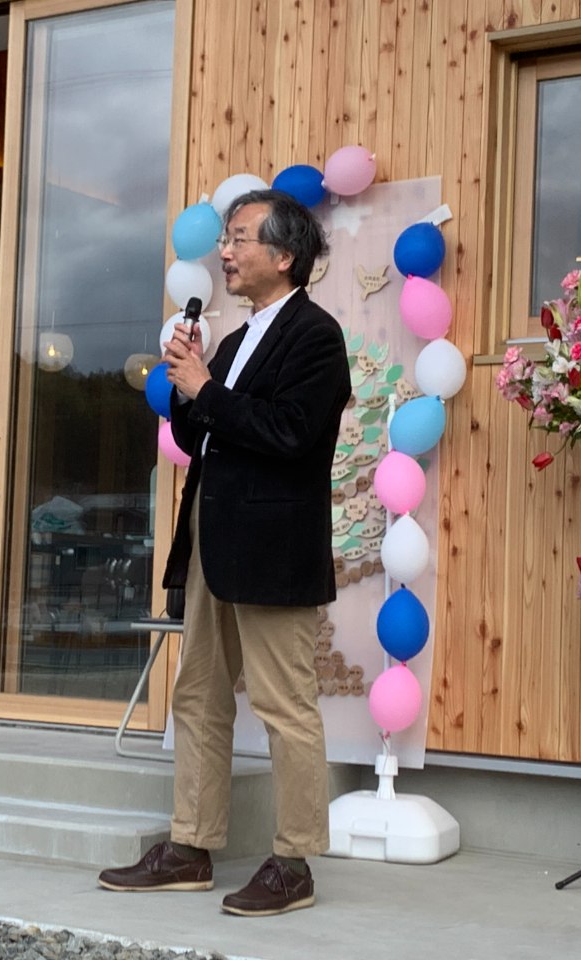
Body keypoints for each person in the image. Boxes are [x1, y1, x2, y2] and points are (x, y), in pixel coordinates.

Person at [98, 190, 350, 916]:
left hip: (274, 548)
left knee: (283, 703)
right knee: (198, 695)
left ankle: (294, 862)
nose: (225, 253)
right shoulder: (237, 341)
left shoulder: (315, 336)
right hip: (213, 539)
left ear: (285, 255)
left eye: (240, 239)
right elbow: (202, 434)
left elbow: (290, 434)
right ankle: (190, 847)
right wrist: (187, 385)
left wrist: (206, 389)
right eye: (226, 239)